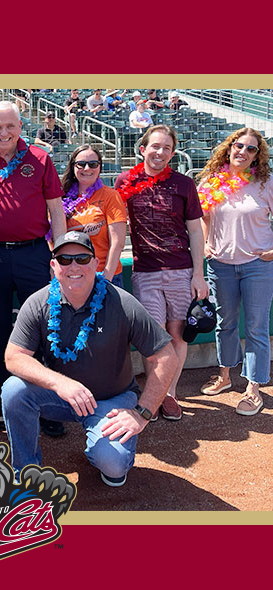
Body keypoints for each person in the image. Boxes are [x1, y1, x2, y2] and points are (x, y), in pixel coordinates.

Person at [1, 231, 177, 486]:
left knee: (114, 466)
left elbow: (166, 356)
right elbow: (14, 357)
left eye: (82, 259)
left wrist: (142, 413)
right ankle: (26, 471)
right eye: (64, 259)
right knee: (14, 390)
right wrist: (61, 383)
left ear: (95, 264)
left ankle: (104, 450)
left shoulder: (121, 301)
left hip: (112, 399)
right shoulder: (38, 302)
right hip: (60, 397)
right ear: (53, 265)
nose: (74, 267)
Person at [0, 100, 66, 432]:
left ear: (21, 127)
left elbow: (57, 212)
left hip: (33, 254)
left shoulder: (40, 158)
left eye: (10, 126)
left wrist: (59, 256)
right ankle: (5, 404)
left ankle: (50, 406)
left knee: (46, 329)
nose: (3, 132)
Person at [115, 125, 209, 421]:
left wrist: (199, 274)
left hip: (181, 271)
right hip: (145, 271)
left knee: (177, 335)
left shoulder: (183, 184)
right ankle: (153, 394)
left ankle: (170, 394)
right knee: (153, 338)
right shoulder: (125, 181)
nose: (160, 152)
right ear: (142, 148)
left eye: (167, 148)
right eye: (155, 146)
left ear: (172, 152)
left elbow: (195, 230)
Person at [198, 128, 273, 416]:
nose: (243, 151)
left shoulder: (265, 183)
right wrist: (205, 244)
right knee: (225, 324)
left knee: (256, 327)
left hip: (258, 266)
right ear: (229, 148)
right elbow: (203, 217)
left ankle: (254, 388)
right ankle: (225, 376)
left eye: (251, 148)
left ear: (257, 155)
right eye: (239, 145)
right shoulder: (210, 182)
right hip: (221, 265)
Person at [60, 145, 126, 287]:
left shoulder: (110, 196)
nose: (87, 168)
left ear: (100, 167)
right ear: (73, 167)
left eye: (93, 164)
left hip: (104, 274)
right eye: (81, 164)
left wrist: (106, 279)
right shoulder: (60, 198)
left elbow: (117, 243)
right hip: (72, 275)